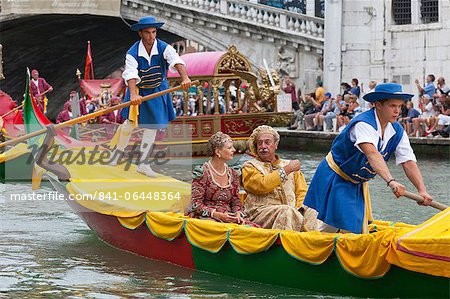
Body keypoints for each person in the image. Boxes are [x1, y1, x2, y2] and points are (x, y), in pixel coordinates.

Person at [304, 83, 433, 234]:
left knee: (339, 225)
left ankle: (320, 247)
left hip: (355, 181)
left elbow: (408, 161)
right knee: (345, 225)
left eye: (399, 106)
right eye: (392, 106)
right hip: (336, 175)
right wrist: (391, 181)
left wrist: (422, 190)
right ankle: (317, 249)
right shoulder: (363, 124)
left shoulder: (397, 130)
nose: (397, 111)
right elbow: (372, 153)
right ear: (378, 104)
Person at [109, 16, 191, 176]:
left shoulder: (164, 47)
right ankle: (117, 154)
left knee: (151, 126)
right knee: (129, 124)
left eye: (154, 32)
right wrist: (133, 94)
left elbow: (176, 60)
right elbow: (131, 73)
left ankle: (144, 164)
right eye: (147, 33)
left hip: (157, 89)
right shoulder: (132, 52)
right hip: (138, 90)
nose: (151, 36)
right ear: (140, 33)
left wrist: (185, 78)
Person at [241, 125, 321, 231]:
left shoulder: (289, 164)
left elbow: (302, 192)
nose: (263, 146)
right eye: (259, 143)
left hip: (291, 210)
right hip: (260, 213)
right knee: (286, 211)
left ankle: (315, 242)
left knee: (314, 209)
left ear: (276, 145)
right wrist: (285, 170)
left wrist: (299, 209)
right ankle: (288, 244)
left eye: (267, 142)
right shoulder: (249, 166)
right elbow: (261, 185)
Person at [186, 132, 258, 226]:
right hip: (208, 218)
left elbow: (236, 201)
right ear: (217, 151)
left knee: (251, 228)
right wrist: (217, 215)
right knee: (218, 229)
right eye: (229, 148)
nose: (233, 150)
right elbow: (196, 204)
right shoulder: (202, 172)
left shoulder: (233, 173)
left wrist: (238, 214)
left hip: (229, 216)